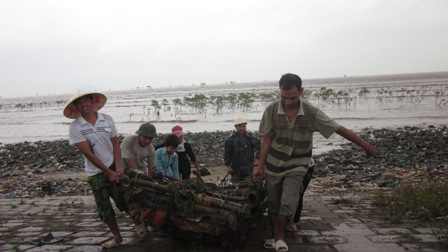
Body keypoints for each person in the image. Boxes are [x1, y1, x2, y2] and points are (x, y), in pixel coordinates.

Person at [253, 73, 378, 252]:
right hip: (274, 163)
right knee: (273, 202)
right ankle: (274, 236)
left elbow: (338, 129)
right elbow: (266, 139)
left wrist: (365, 146)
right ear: (279, 92)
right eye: (284, 97)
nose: (288, 102)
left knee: (288, 201)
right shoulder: (271, 110)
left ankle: (280, 237)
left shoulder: (311, 113)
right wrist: (260, 167)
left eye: (293, 98)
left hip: (298, 163)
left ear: (301, 92)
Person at [64, 90, 132, 249]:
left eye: (86, 101)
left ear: (92, 101)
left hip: (113, 165)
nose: (83, 105)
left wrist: (118, 166)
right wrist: (108, 173)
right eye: (79, 103)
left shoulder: (107, 119)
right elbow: (88, 154)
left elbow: (116, 143)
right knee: (104, 206)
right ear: (76, 107)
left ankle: (140, 225)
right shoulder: (76, 127)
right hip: (95, 173)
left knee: (124, 200)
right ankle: (117, 237)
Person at [120, 122, 157, 237]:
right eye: (145, 137)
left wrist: (151, 181)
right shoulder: (129, 141)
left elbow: (151, 167)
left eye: (150, 138)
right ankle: (138, 223)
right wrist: (141, 180)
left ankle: (148, 220)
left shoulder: (151, 148)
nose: (148, 141)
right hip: (125, 171)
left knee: (147, 197)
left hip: (141, 171)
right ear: (139, 135)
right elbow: (132, 165)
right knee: (130, 199)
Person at [224, 116, 261, 183]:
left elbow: (260, 147)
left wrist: (257, 159)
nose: (242, 128)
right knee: (235, 187)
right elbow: (227, 154)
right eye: (239, 126)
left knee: (248, 186)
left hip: (248, 168)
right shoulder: (230, 139)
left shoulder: (249, 137)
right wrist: (228, 166)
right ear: (235, 127)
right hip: (235, 169)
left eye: (243, 126)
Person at [287, 158, 314, 232]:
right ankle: (286, 220)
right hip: (285, 167)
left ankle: (293, 222)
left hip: (305, 166)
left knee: (299, 194)